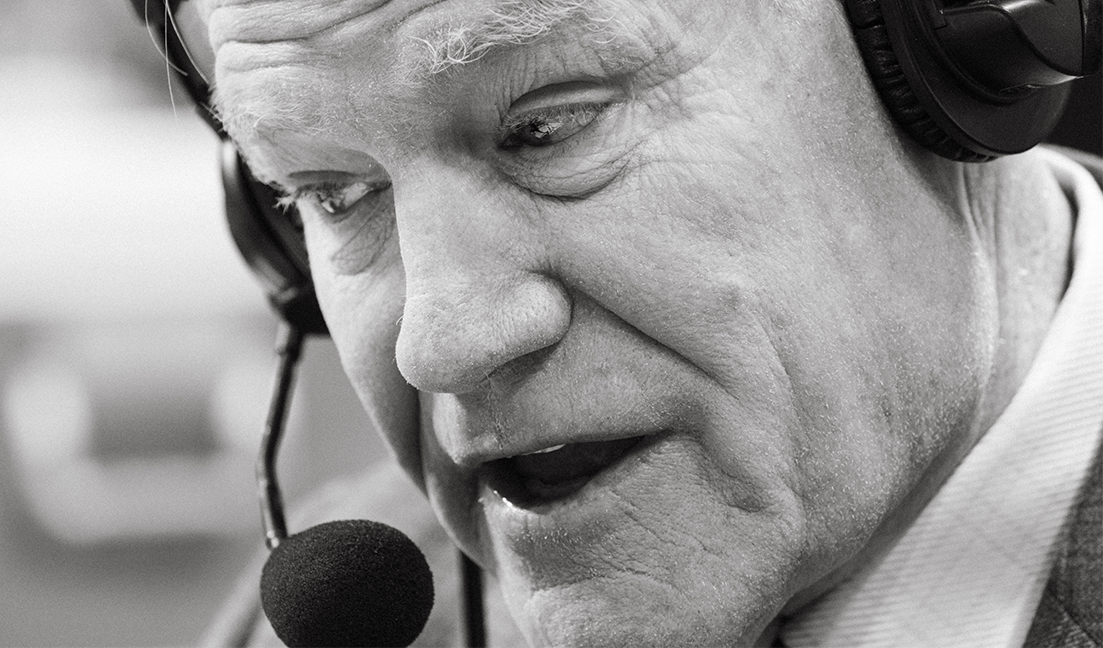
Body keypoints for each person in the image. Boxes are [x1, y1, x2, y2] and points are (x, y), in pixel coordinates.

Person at [151, 0, 1102, 645]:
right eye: (334, 194)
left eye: (547, 127)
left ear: (948, 47)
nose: (442, 346)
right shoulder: (362, 620)